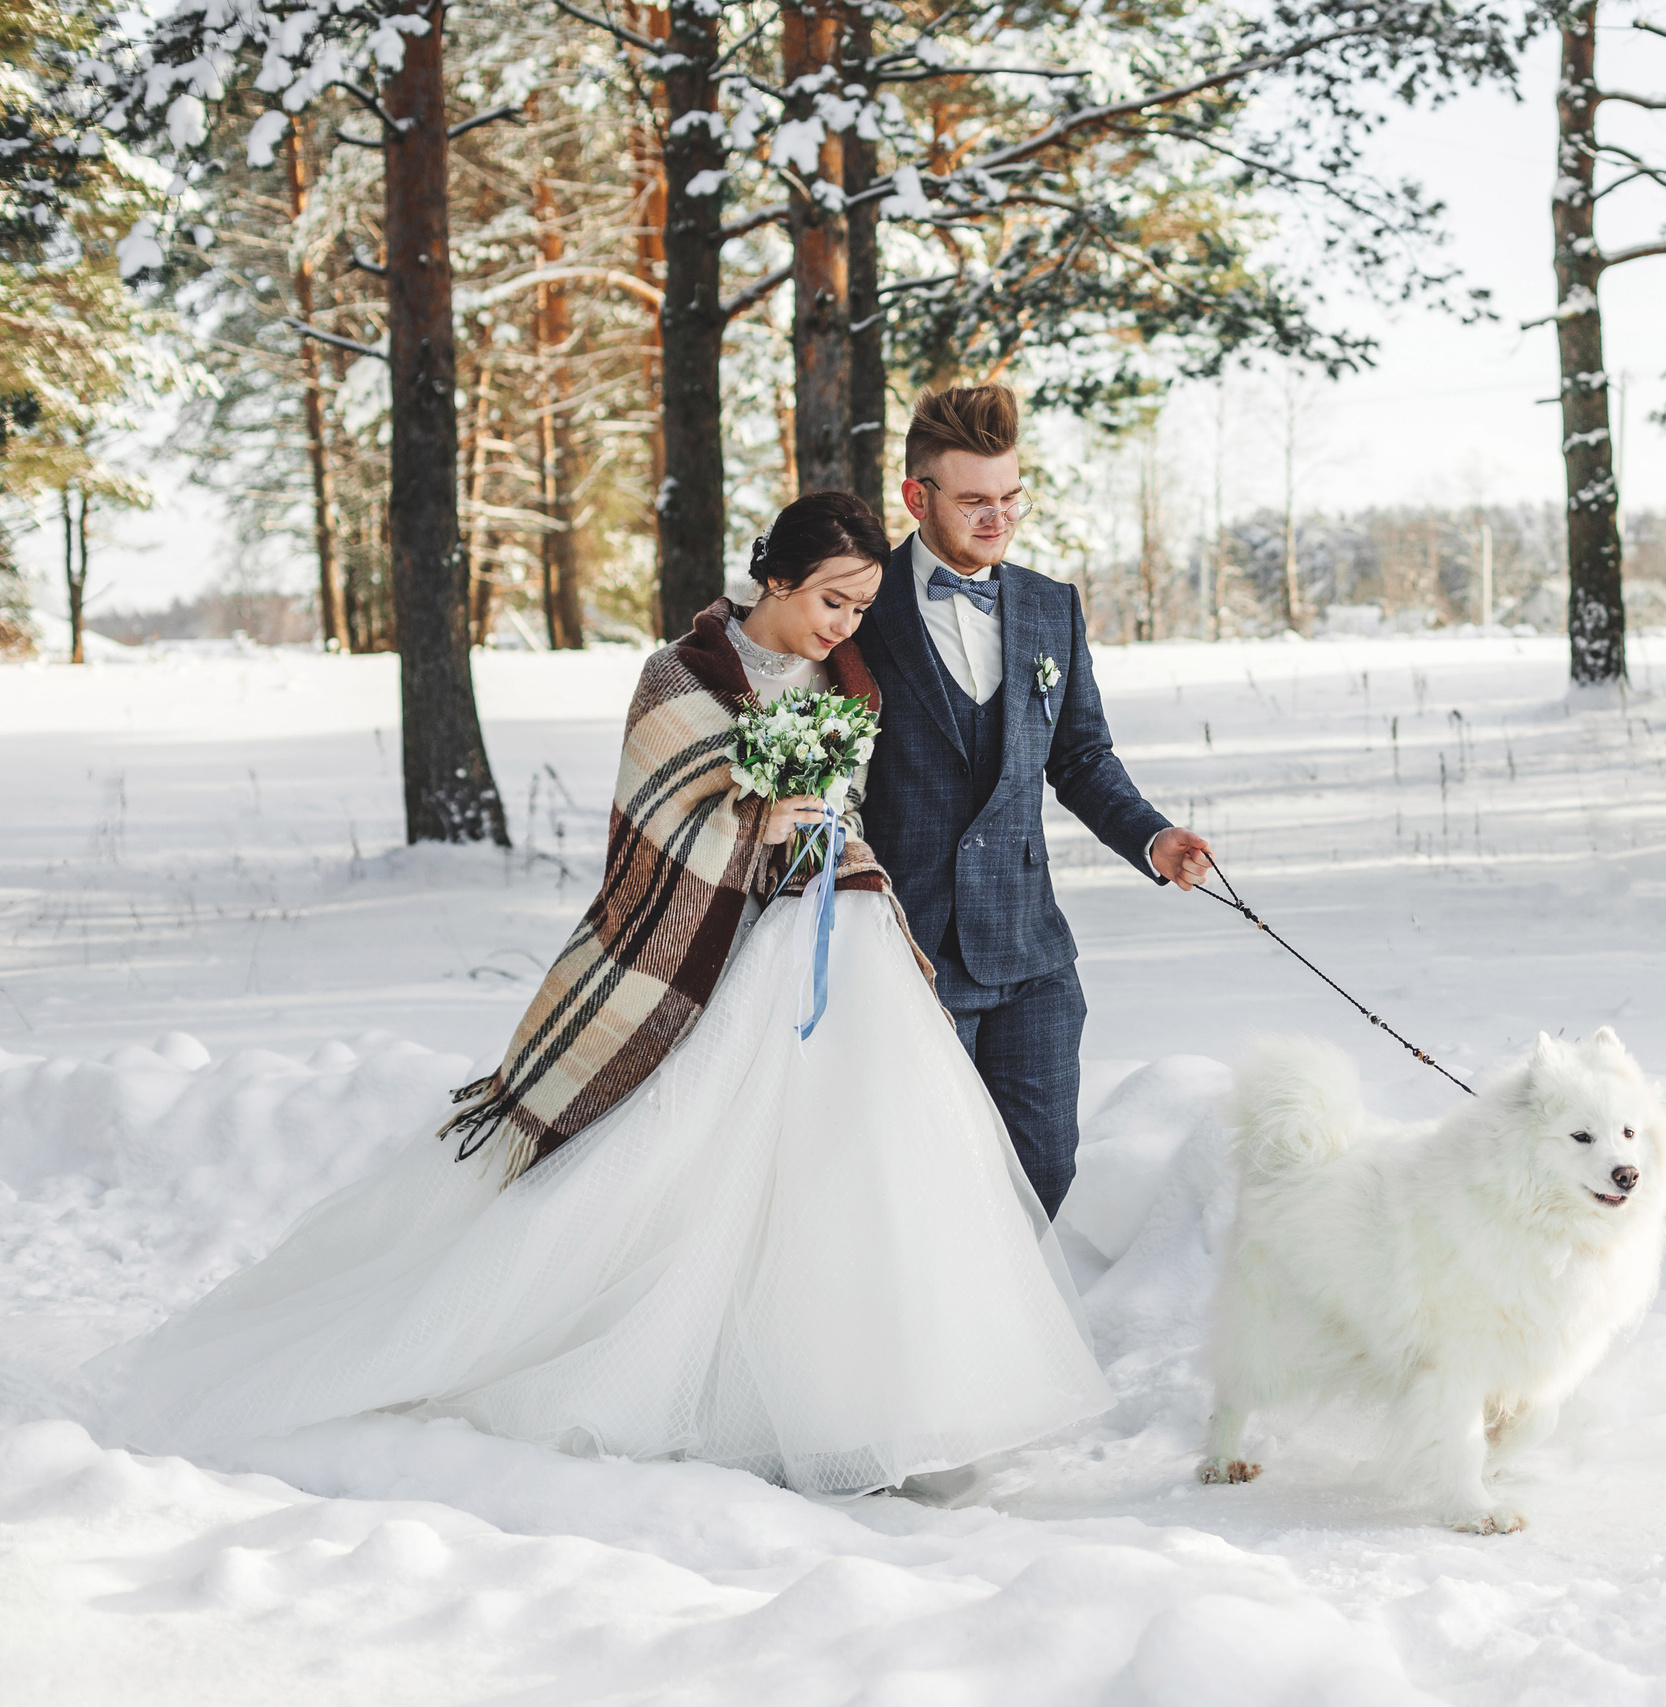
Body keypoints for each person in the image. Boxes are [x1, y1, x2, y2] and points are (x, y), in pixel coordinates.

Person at [91, 492, 1114, 1498]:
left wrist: (833, 849)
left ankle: (858, 1401)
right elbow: (653, 824)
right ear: (774, 578)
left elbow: (856, 806)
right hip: (700, 955)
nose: (846, 625)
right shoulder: (680, 677)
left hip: (824, 945)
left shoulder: (847, 683)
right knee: (680, 1161)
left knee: (849, 1163)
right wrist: (752, 823)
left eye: (860, 607)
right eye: (831, 600)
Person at [859, 383, 1213, 1219]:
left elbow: (1081, 756)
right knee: (930, 1185)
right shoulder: (863, 606)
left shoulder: (1053, 607)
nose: (999, 519)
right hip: (908, 949)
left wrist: (1152, 837)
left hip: (1031, 953)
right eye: (975, 502)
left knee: (1043, 1174)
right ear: (917, 497)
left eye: (1011, 497)